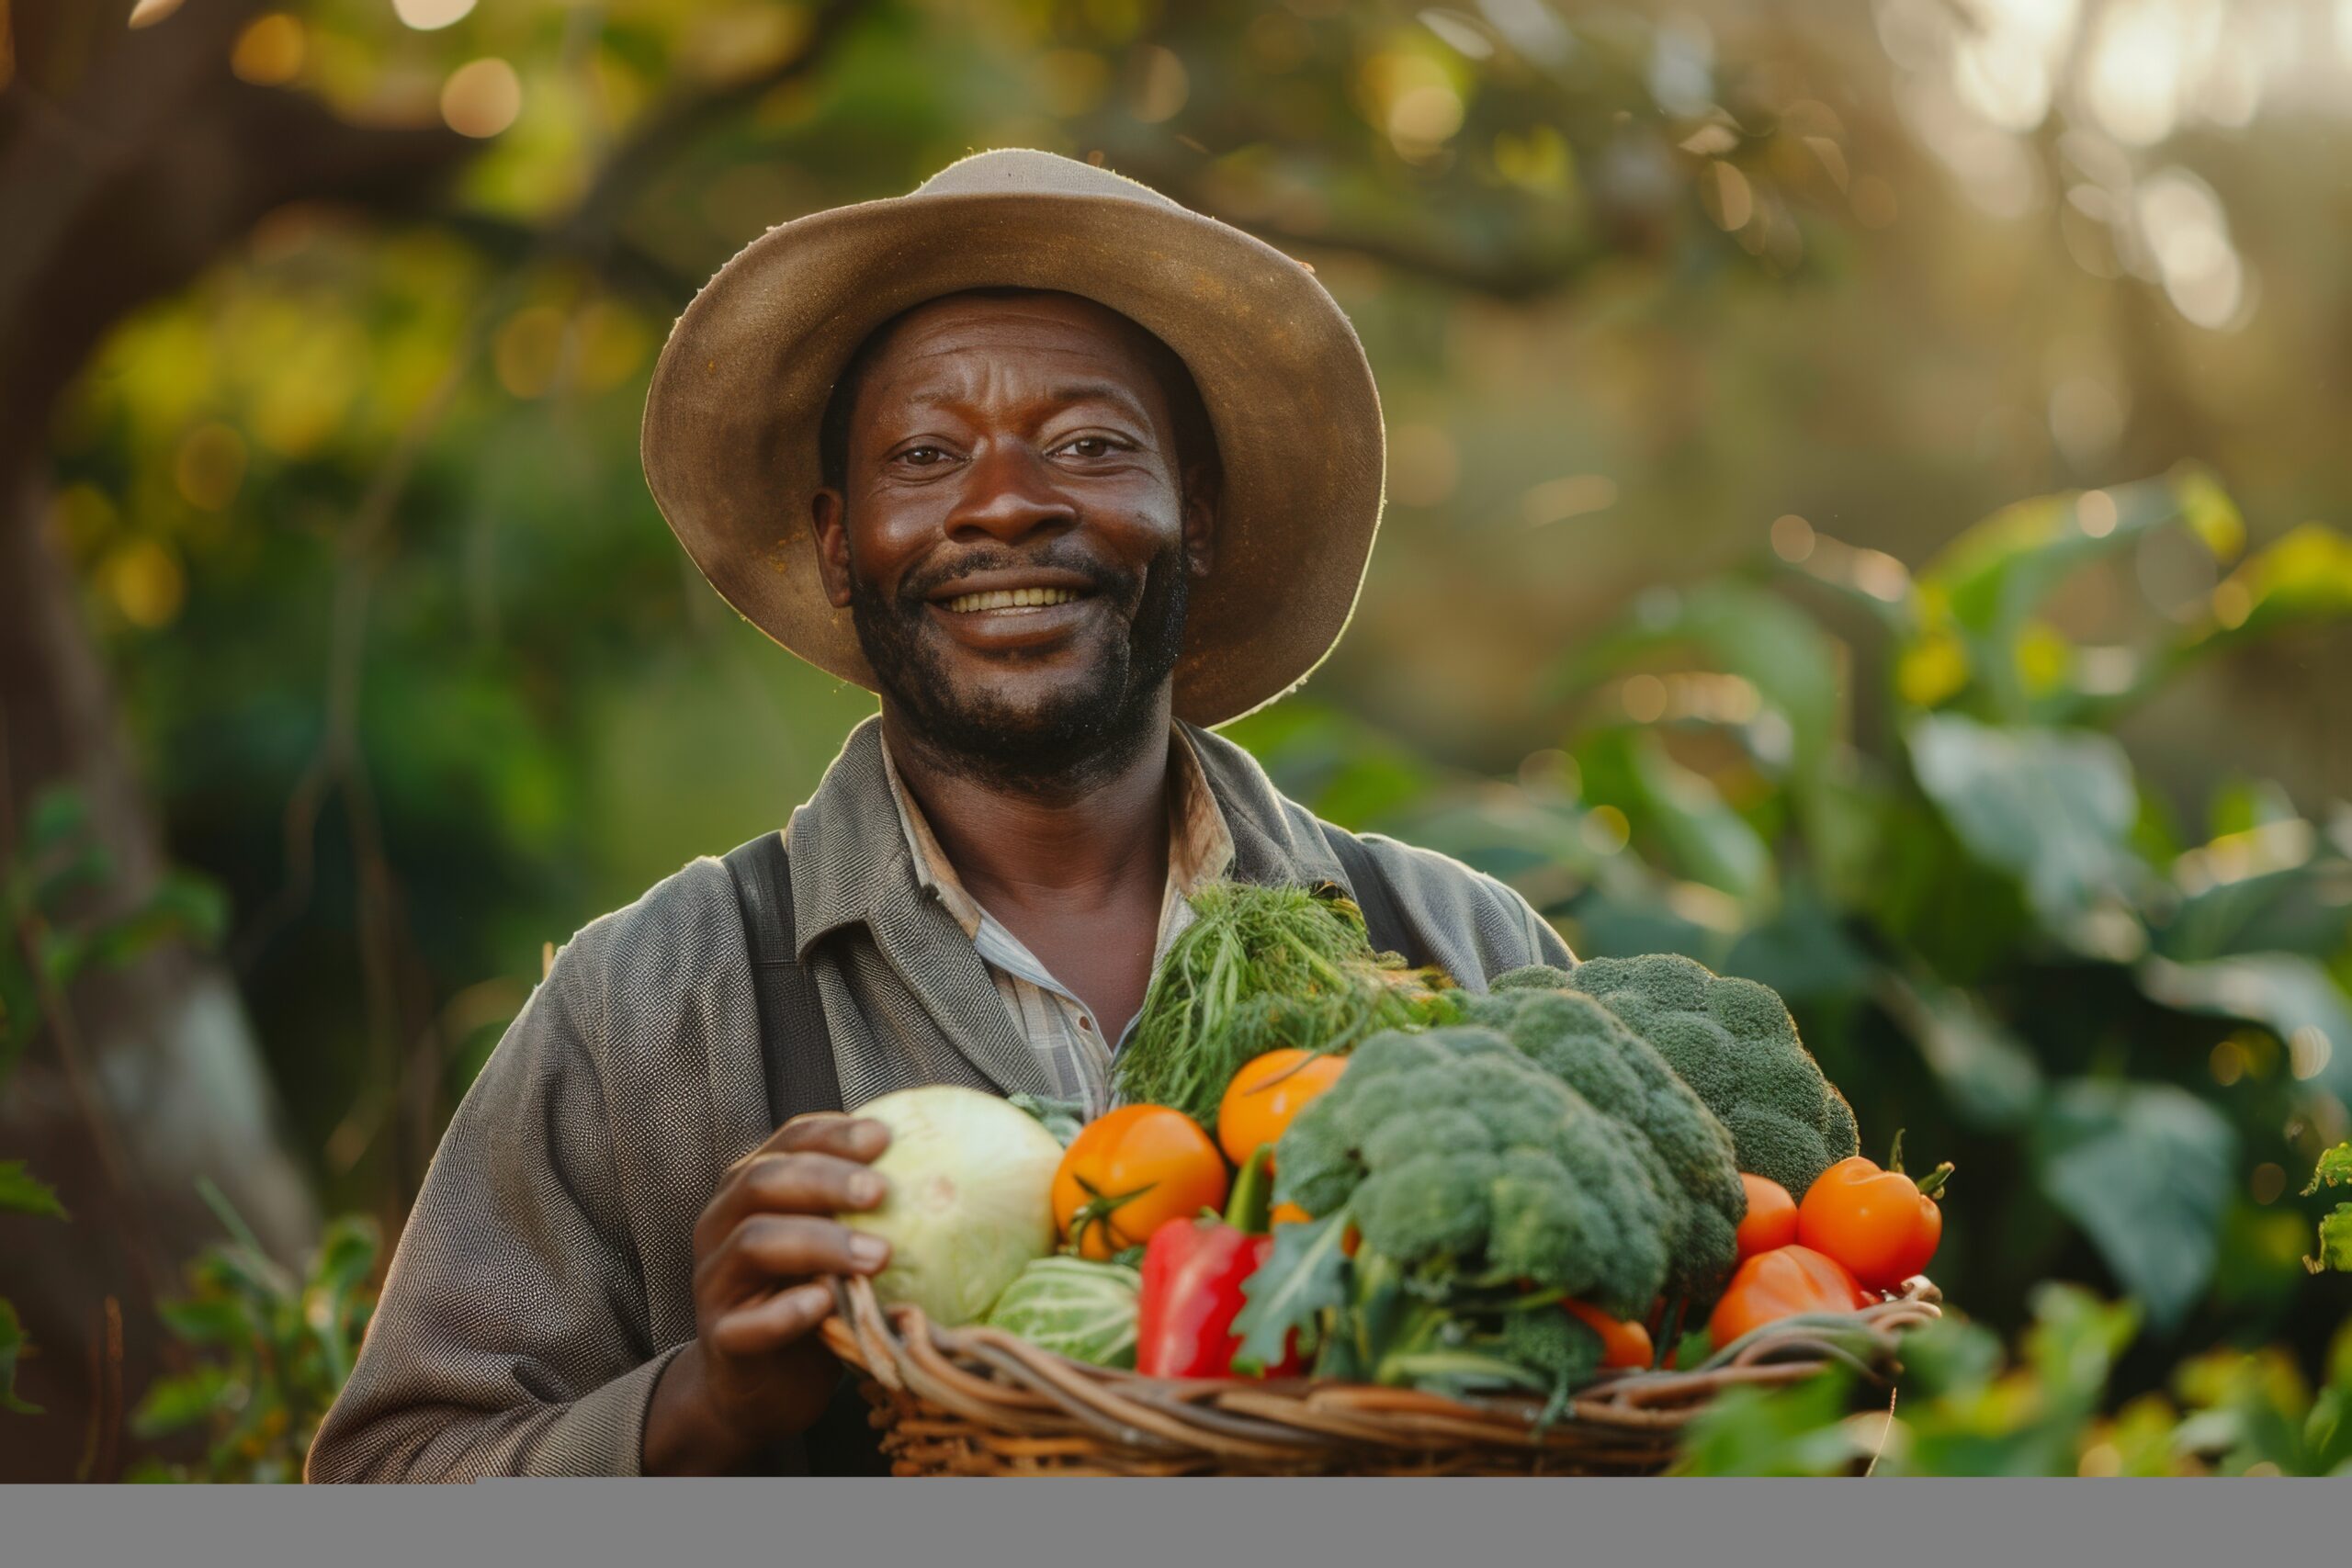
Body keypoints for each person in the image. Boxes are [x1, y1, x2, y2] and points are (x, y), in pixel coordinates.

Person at [305, 149, 1574, 1481]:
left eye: (1088, 444)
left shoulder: (1462, 952)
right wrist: (703, 1407)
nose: (1008, 501)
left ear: (1193, 515)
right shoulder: (658, 1011)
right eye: (926, 454)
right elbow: (388, 1478)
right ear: (841, 544)